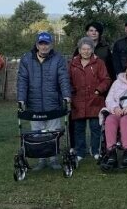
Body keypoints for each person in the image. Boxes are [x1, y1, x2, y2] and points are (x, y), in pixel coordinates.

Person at [17, 32, 72, 170]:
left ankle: (53, 160)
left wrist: (66, 95)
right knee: (37, 133)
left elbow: (63, 78)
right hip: (33, 104)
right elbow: (22, 81)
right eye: (41, 44)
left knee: (53, 133)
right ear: (37, 45)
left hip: (53, 103)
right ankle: (41, 160)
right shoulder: (26, 59)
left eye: (46, 44)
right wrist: (21, 99)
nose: (44, 47)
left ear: (51, 45)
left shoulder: (58, 59)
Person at [69, 37, 111, 162]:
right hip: (78, 101)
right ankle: (80, 152)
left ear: (92, 50)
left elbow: (106, 79)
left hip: (95, 100)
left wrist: (98, 90)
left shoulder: (99, 63)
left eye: (88, 49)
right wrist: (72, 92)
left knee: (95, 128)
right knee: (79, 129)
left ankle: (95, 150)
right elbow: (67, 80)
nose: (86, 51)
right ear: (79, 50)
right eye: (83, 49)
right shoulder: (72, 63)